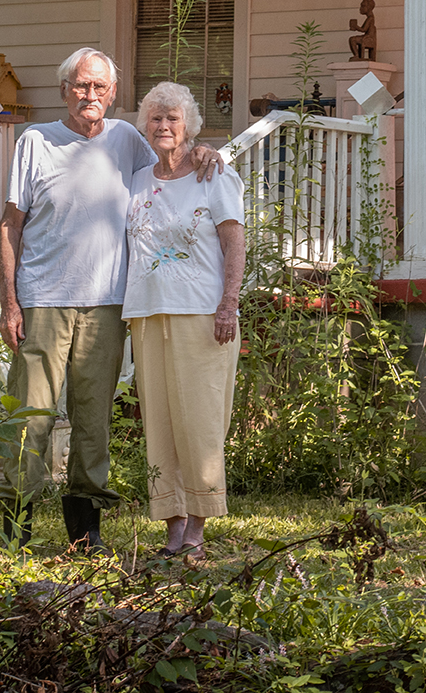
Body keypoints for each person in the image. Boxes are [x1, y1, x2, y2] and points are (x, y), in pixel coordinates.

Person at [0, 48, 219, 553]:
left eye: (99, 87)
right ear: (63, 90)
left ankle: (84, 529)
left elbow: (172, 161)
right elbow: (10, 225)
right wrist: (9, 303)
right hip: (42, 301)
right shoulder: (36, 141)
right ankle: (15, 525)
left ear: (113, 94)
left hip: (108, 306)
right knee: (31, 417)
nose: (89, 95)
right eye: (80, 85)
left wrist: (203, 151)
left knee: (93, 421)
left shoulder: (126, 140)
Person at [124, 81, 245, 558]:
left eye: (173, 118)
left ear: (189, 125)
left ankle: (197, 523)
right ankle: (171, 522)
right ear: (144, 126)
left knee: (200, 419)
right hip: (147, 312)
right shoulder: (136, 178)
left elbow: (234, 241)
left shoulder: (214, 175)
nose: (163, 125)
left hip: (201, 312)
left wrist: (228, 303)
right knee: (160, 422)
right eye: (155, 118)